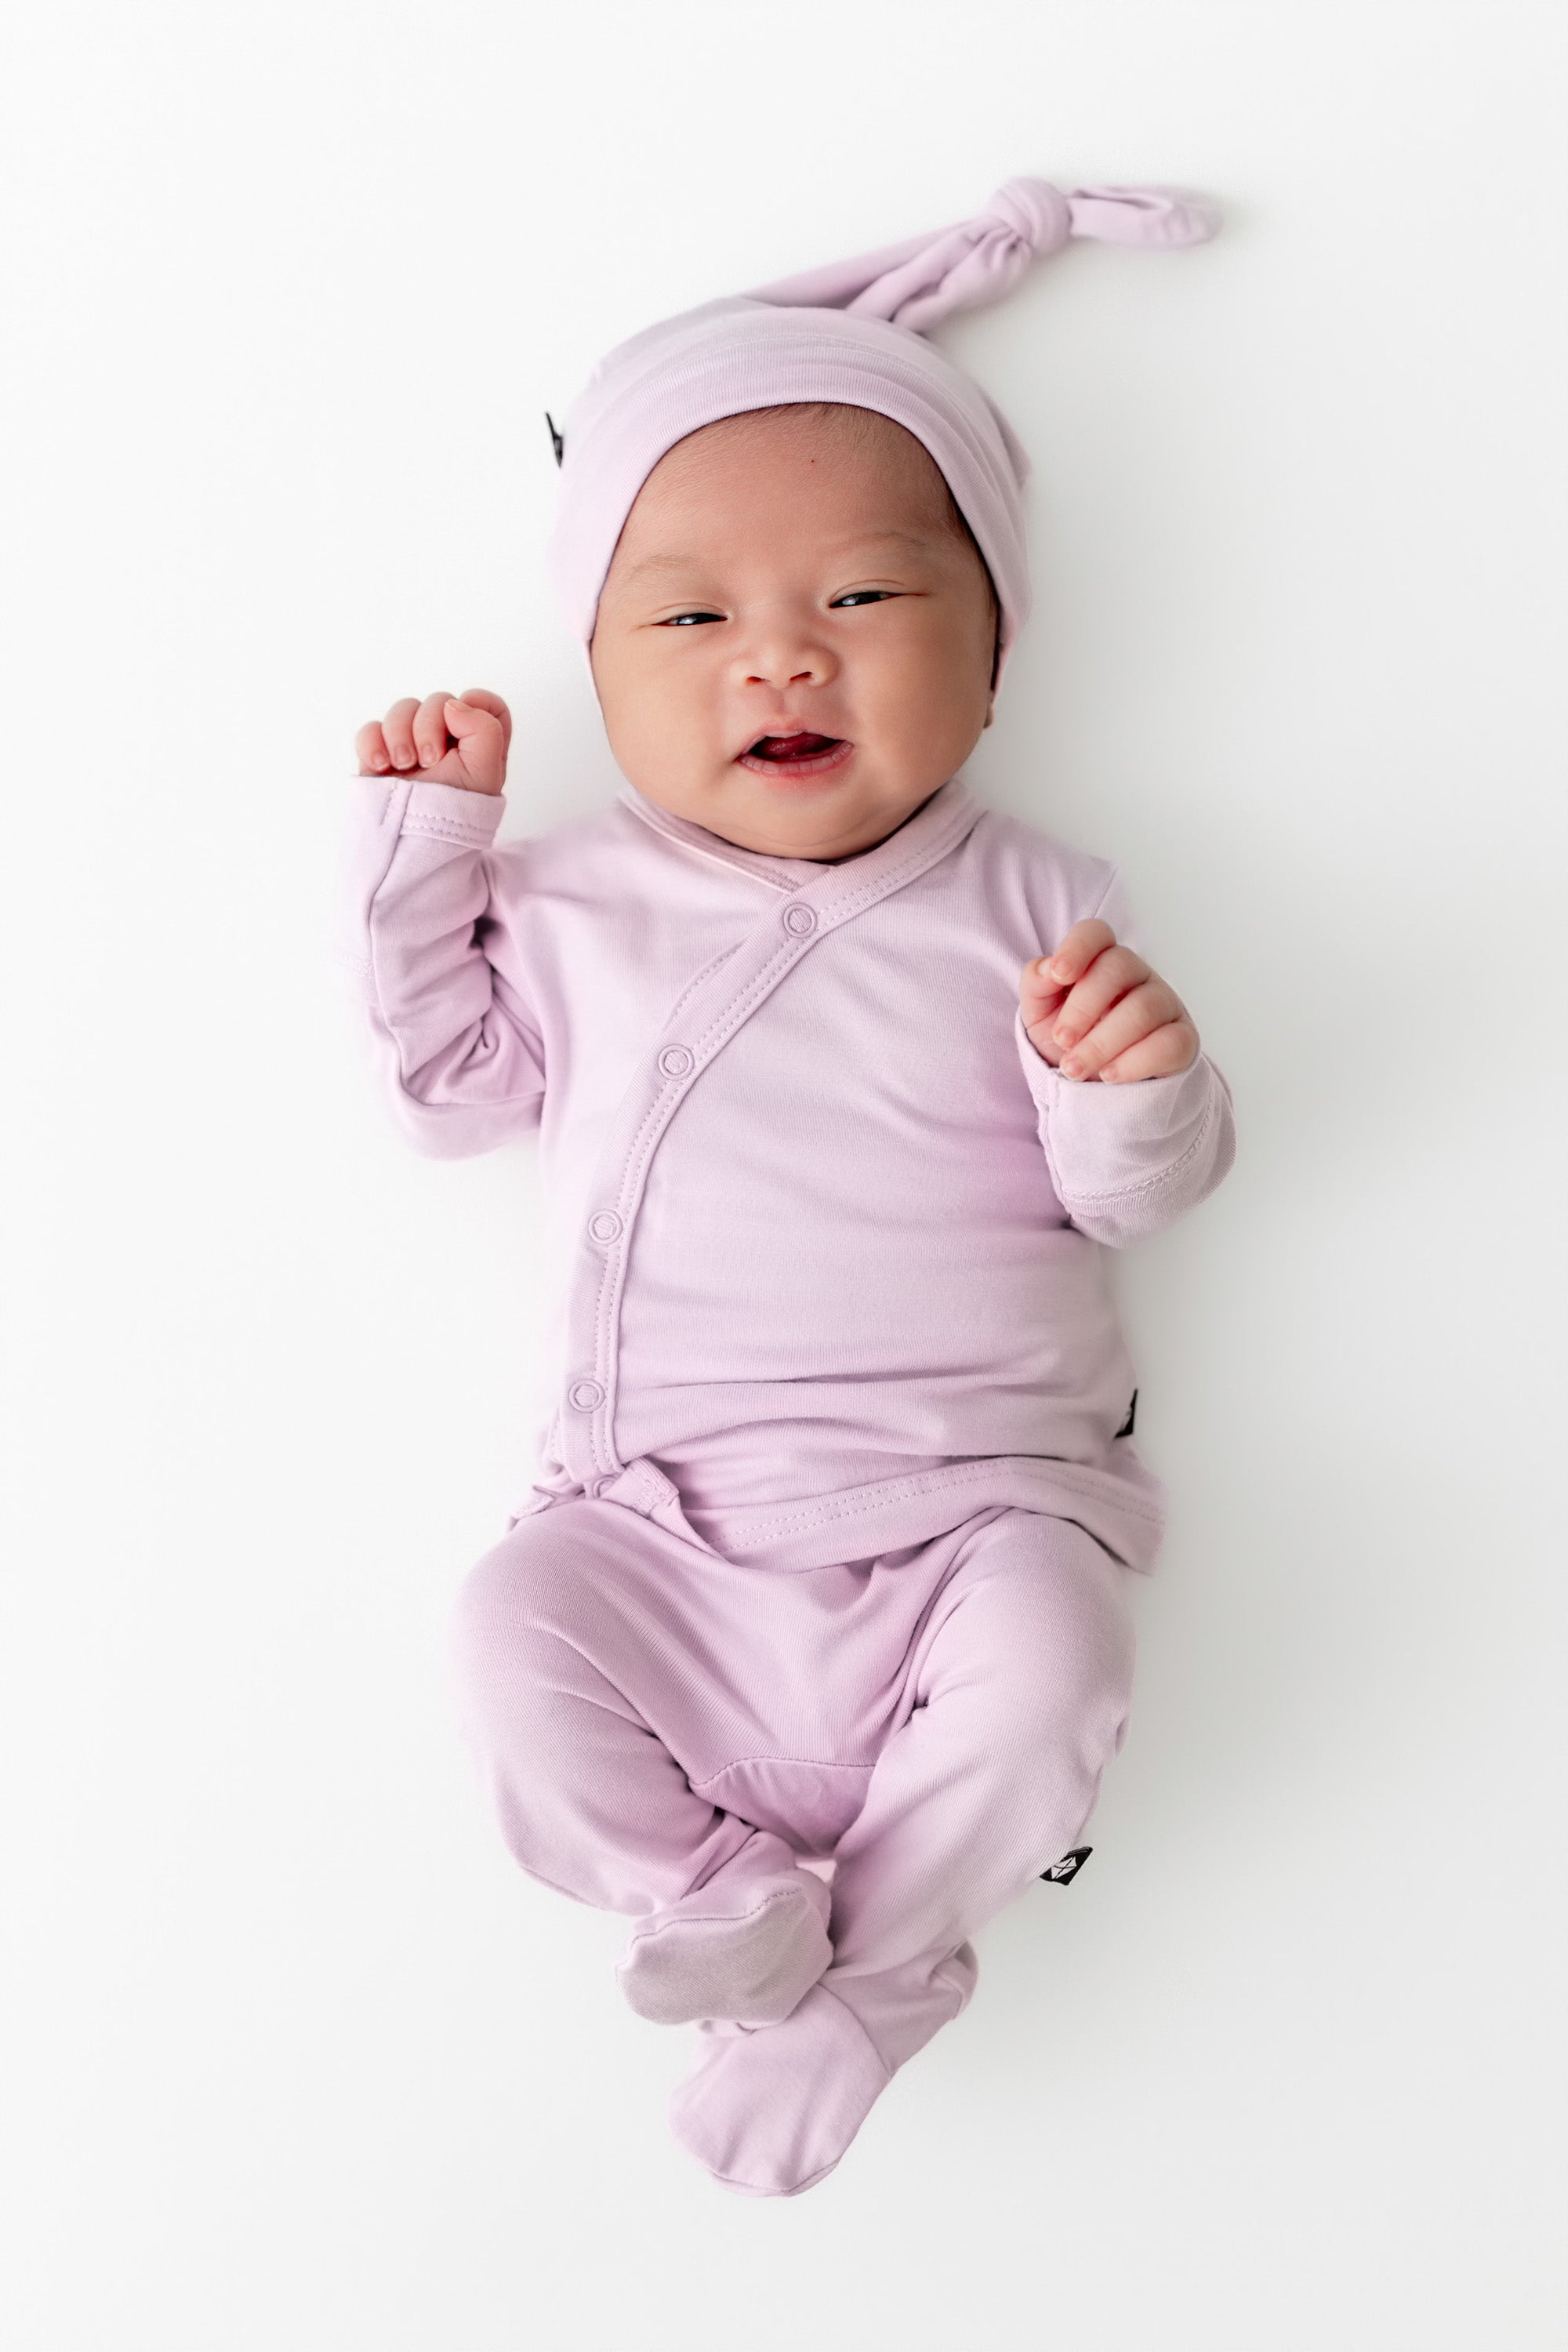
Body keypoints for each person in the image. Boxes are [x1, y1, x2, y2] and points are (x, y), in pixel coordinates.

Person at [338, 177, 1237, 2197]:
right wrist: (421, 860)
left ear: (994, 664)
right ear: (599, 663)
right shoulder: (566, 903)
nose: (781, 665)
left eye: (867, 600)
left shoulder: (1037, 902)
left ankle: (878, 1972)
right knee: (505, 1646)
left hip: (969, 1511)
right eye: (691, 618)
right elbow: (448, 1092)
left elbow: (1126, 1200)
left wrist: (1140, 1092)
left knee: (1059, 1682)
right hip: (652, 1529)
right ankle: (714, 1898)